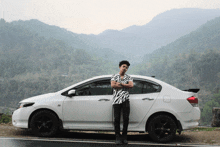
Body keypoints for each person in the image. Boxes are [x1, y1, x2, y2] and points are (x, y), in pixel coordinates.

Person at [111, 60, 134, 145]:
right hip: (116, 100)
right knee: (116, 119)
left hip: (125, 100)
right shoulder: (114, 76)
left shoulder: (129, 77)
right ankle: (117, 136)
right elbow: (113, 85)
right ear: (120, 67)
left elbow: (131, 85)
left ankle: (124, 137)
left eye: (127, 67)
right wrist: (125, 85)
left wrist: (120, 84)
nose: (125, 68)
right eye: (123, 66)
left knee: (126, 119)